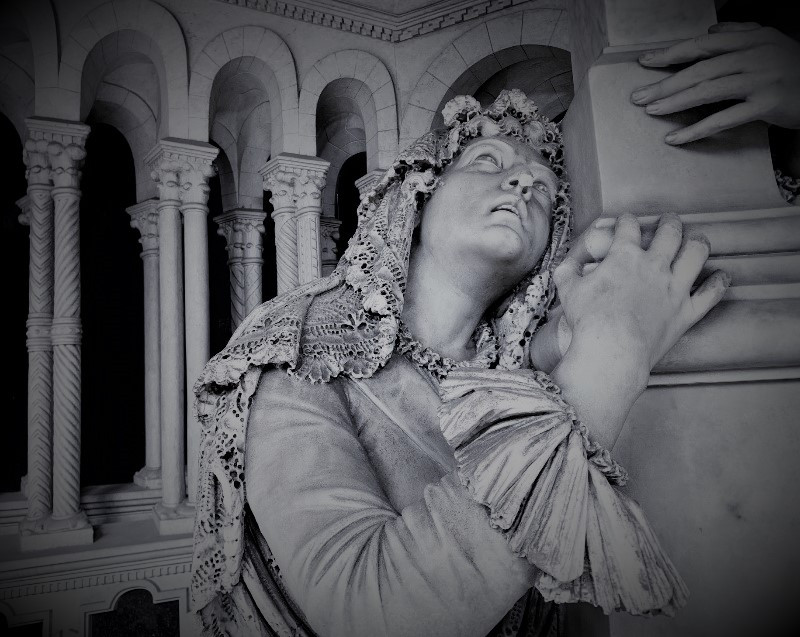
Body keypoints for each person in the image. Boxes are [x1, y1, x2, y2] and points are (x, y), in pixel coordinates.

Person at [188, 87, 728, 637]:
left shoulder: (525, 373)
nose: (523, 184)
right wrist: (611, 358)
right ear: (419, 194)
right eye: (488, 161)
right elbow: (368, 616)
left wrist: (591, 330)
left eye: (544, 190)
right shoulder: (302, 351)